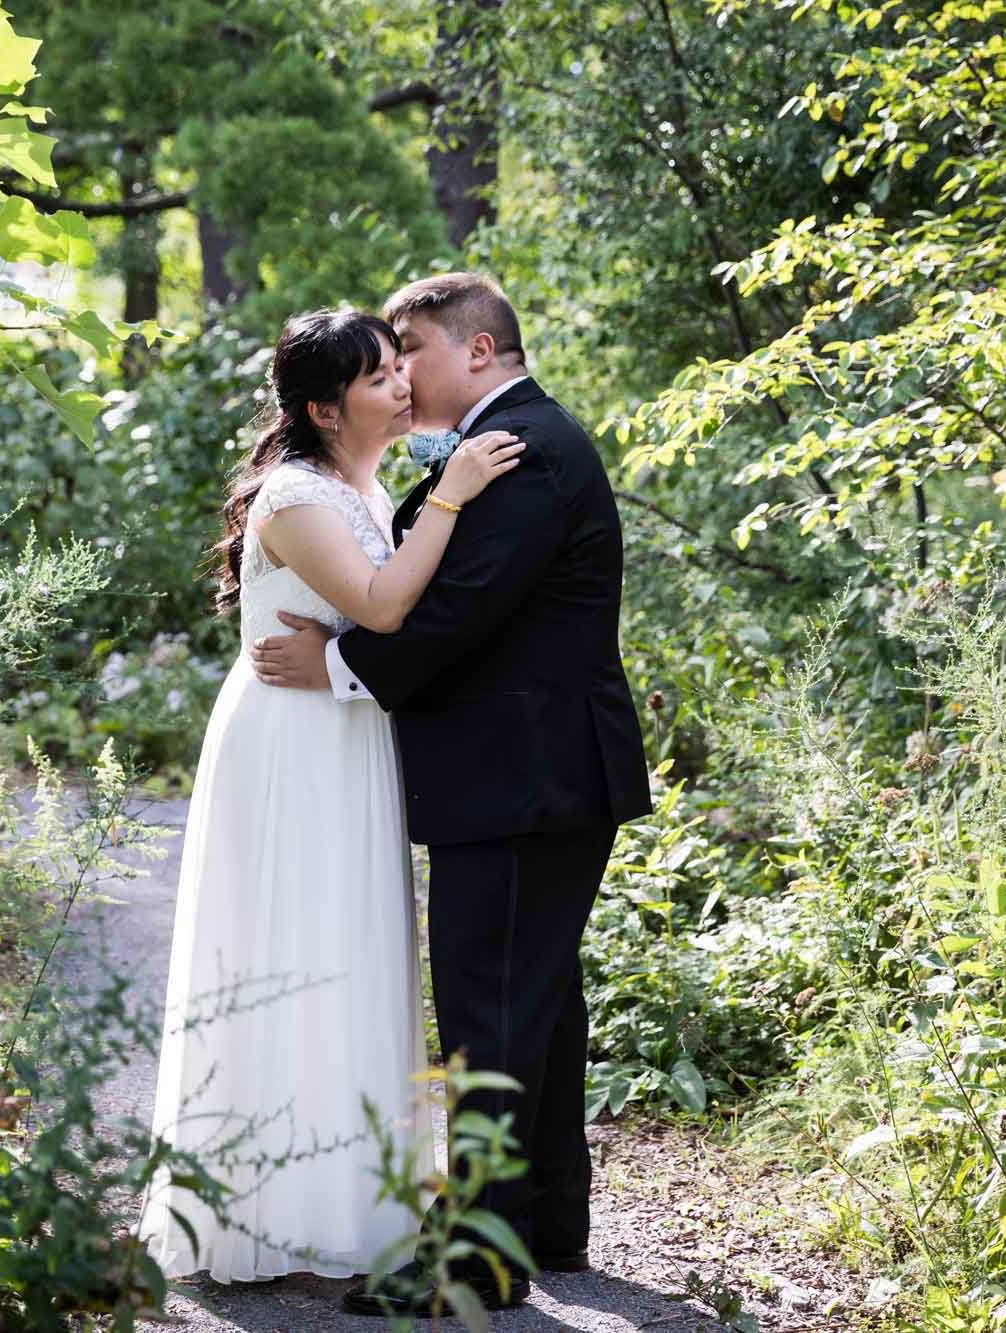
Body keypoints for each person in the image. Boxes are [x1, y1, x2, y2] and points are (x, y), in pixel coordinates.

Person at [249, 272, 653, 1316]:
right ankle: (547, 1222)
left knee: (492, 1013)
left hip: (524, 777)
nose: (396, 372)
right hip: (533, 773)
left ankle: (471, 1259)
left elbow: (457, 611)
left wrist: (336, 666)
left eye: (407, 352)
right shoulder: (513, 439)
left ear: (474, 351)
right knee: (537, 1005)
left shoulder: (522, 448)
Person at [134, 308, 527, 1283]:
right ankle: (270, 1206)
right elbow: (383, 604)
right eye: (376, 378)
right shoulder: (293, 494)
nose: (400, 388)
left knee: (353, 950)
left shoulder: (363, 481)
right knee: (292, 946)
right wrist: (455, 493)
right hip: (290, 746)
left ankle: (357, 1193)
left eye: (400, 368)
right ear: (321, 406)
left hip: (348, 737)